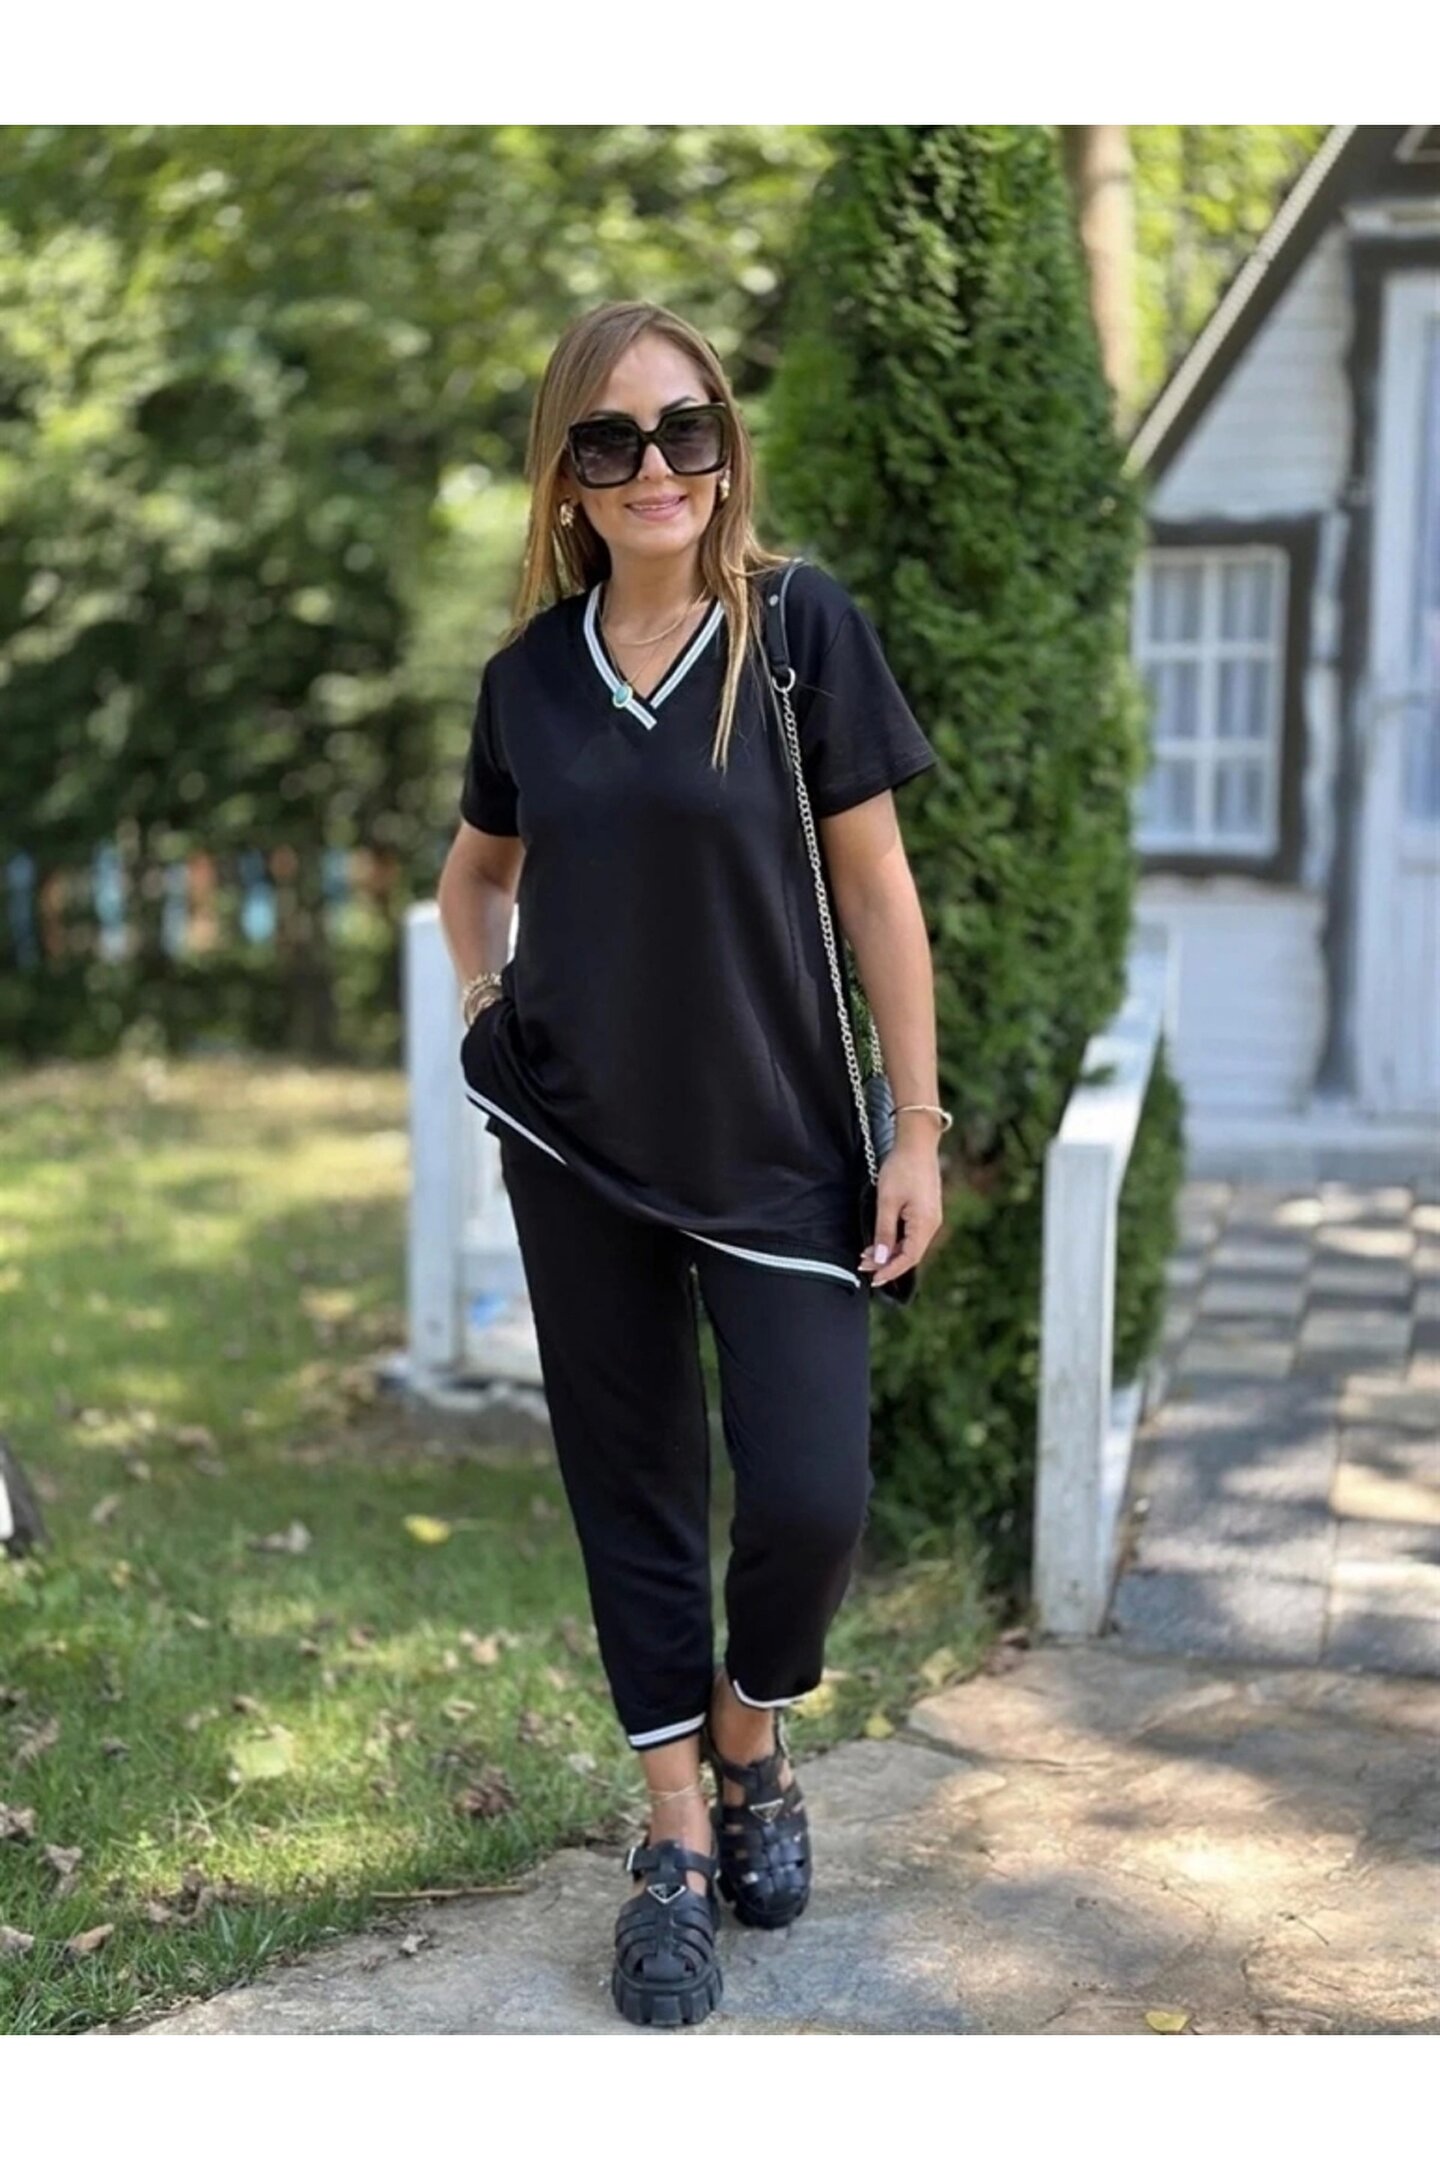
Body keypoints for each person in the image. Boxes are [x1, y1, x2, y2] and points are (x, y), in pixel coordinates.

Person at [435, 299, 949, 2030]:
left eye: (686, 428)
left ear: (725, 448)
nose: (654, 465)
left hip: (783, 1148)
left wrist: (916, 1130)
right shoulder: (528, 680)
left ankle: (750, 1732)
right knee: (631, 1486)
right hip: (576, 1144)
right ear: (566, 477)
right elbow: (473, 876)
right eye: (611, 440)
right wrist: (488, 1005)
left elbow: (877, 889)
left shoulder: (798, 633)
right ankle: (671, 1833)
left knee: (811, 1499)